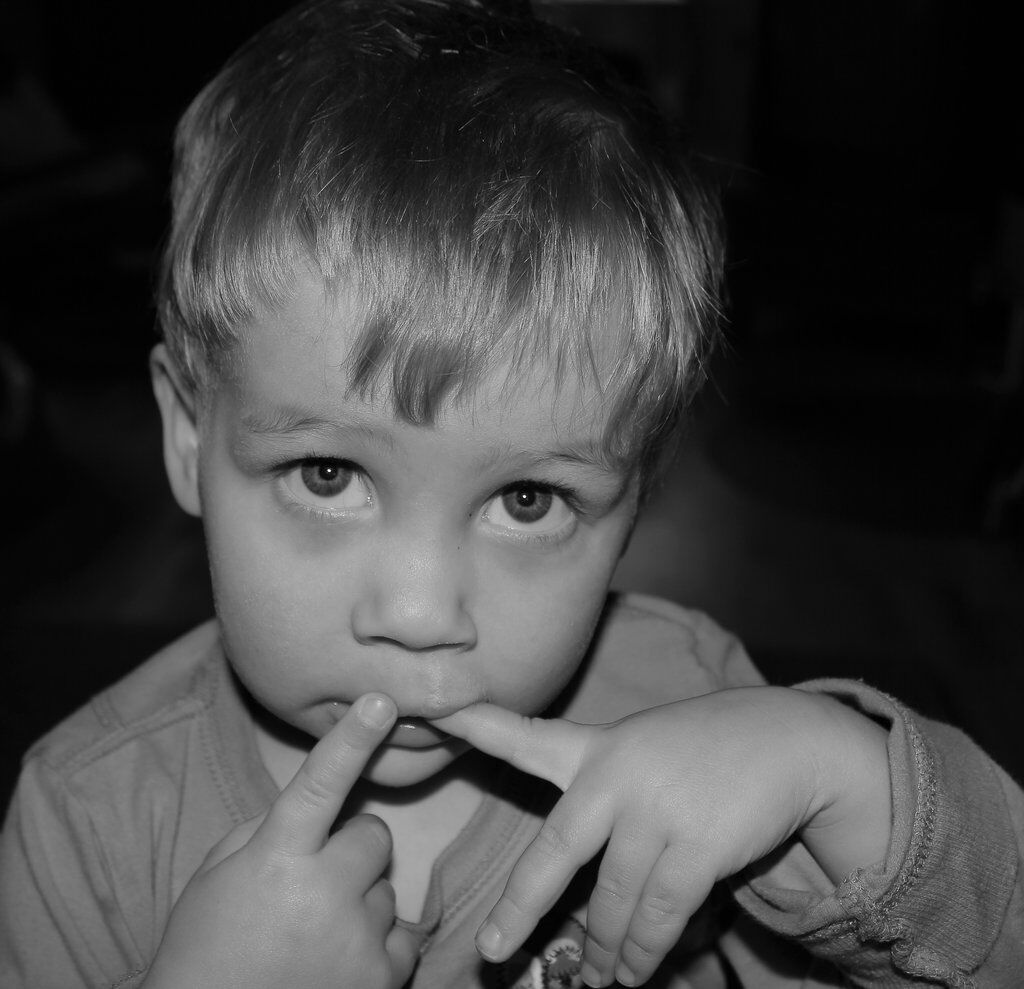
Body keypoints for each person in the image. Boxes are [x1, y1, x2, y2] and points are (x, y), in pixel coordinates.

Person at [1, 1, 1021, 987]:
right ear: (188, 434)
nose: (419, 614)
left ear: (634, 498)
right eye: (327, 474)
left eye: (527, 499)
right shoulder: (87, 821)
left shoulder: (693, 701)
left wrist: (847, 784)